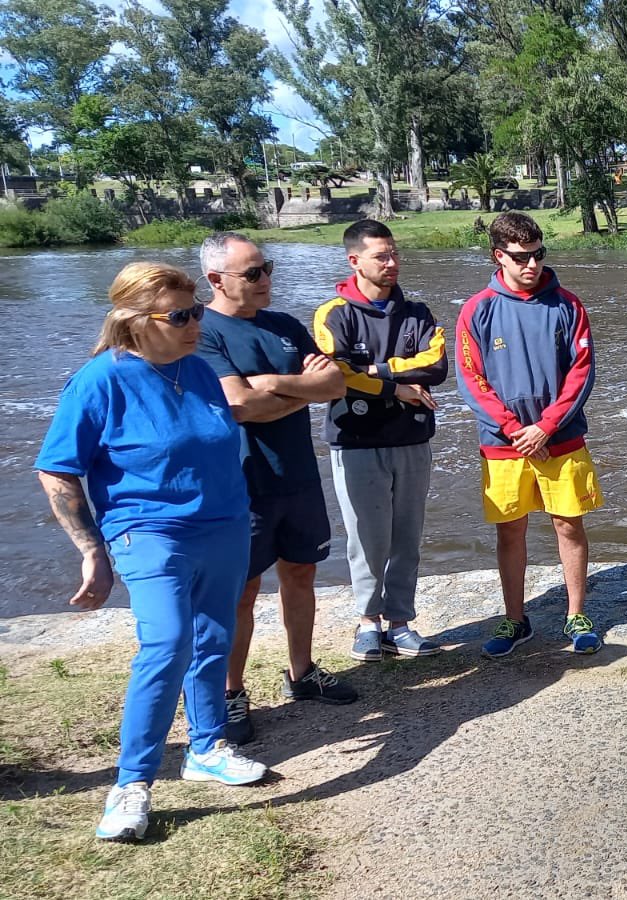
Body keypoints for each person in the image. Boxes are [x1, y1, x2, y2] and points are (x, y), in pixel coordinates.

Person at [36, 262, 268, 843]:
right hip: (149, 532)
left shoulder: (198, 369)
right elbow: (57, 470)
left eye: (196, 312)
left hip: (224, 526)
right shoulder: (100, 380)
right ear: (136, 320)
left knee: (214, 638)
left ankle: (207, 746)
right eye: (181, 315)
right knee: (167, 642)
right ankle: (132, 783)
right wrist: (92, 549)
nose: (196, 324)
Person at [196, 232, 354, 744]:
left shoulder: (284, 324)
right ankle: (230, 692)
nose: (266, 280)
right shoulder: (201, 332)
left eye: (268, 269)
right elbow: (238, 405)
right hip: (243, 481)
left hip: (297, 475)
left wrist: (271, 384)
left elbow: (334, 386)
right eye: (253, 274)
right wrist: (293, 389)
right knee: (240, 591)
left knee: (302, 572)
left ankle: (302, 673)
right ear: (215, 280)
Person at [456, 212, 604, 657]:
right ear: (498, 255)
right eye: (521, 257)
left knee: (568, 524)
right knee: (509, 531)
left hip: (560, 438)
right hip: (504, 443)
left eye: (538, 254)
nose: (532, 264)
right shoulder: (477, 309)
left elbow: (581, 373)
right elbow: (471, 376)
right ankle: (515, 619)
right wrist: (515, 428)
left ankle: (576, 614)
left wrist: (545, 425)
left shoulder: (568, 305)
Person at [313, 220, 449, 663]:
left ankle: (401, 622)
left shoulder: (418, 312)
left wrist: (376, 371)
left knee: (407, 535)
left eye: (394, 254)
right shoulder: (334, 313)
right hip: (357, 441)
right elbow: (335, 374)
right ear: (354, 261)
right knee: (367, 538)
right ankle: (368, 622)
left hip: (411, 438)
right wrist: (397, 386)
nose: (392, 264)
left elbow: (436, 366)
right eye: (381, 256)